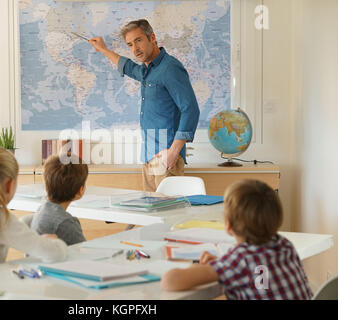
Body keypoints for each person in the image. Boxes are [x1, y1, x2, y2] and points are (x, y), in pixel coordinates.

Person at [89, 19, 200, 191]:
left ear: (152, 37)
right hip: (149, 157)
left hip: (166, 158)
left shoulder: (170, 68)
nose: (135, 49)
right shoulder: (147, 70)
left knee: (168, 215)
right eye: (130, 44)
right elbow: (127, 66)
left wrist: (173, 152)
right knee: (152, 215)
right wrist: (103, 49)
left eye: (138, 40)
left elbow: (190, 109)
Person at [161, 179, 313, 300]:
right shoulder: (284, 245)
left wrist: (197, 269)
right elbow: (259, 269)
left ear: (228, 225)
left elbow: (169, 281)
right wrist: (221, 263)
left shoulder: (239, 260)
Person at [30, 154, 88, 245]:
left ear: (46, 185)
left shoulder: (41, 210)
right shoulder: (66, 223)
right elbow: (84, 252)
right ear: (80, 191)